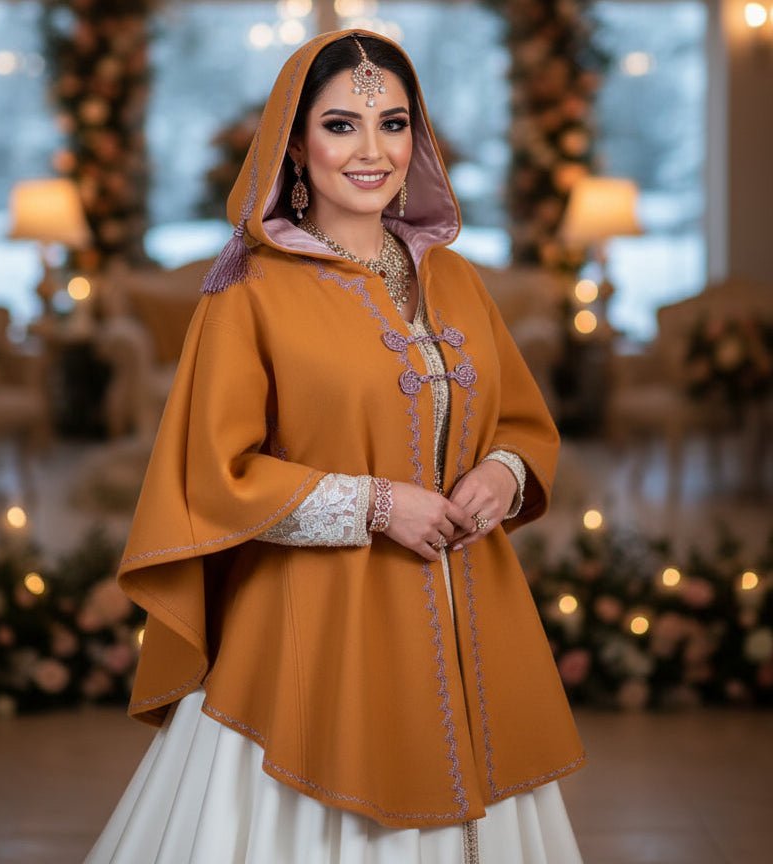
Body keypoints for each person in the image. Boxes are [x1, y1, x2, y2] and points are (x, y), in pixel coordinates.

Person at [86, 29, 586, 864]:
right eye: (341, 124)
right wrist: (378, 504)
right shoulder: (247, 289)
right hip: (310, 639)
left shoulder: (454, 278)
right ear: (295, 142)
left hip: (474, 619)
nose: (372, 150)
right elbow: (219, 475)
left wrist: (503, 473)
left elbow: (522, 423)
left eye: (393, 123)